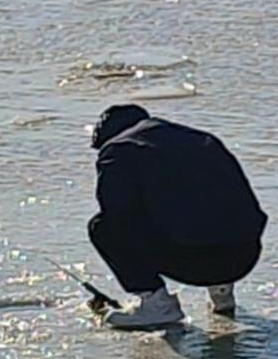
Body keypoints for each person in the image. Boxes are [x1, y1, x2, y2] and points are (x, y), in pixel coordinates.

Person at [87, 101, 267, 330]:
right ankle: (222, 292)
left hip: (196, 261)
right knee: (203, 207)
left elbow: (115, 211)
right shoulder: (200, 139)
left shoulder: (118, 149)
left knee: (103, 227)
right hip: (245, 254)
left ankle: (156, 304)